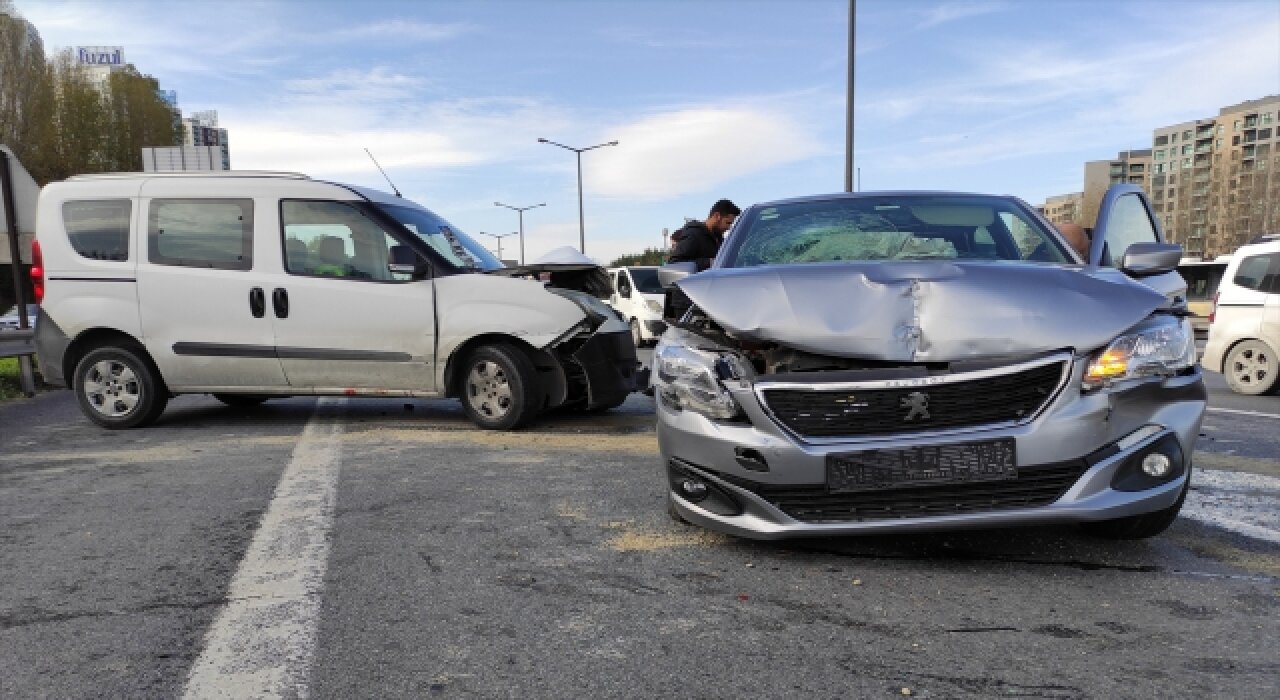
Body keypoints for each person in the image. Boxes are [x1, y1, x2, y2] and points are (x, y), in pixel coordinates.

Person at [668, 199, 741, 271]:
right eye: (727, 223)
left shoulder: (719, 238)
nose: (728, 228)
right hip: (696, 282)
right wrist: (709, 263)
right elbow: (674, 264)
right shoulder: (694, 234)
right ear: (717, 216)